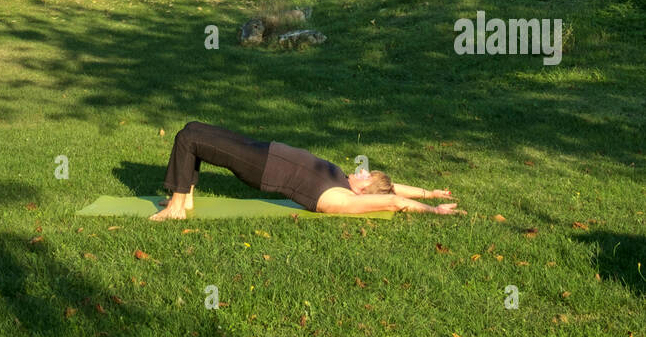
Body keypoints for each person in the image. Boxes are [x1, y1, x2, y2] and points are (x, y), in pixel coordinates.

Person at [149, 121, 465, 219]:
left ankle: (176, 206)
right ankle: (185, 196)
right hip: (266, 151)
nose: (363, 172)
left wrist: (433, 210)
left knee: (189, 138)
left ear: (364, 192)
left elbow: (392, 201)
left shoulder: (344, 198)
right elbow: (394, 190)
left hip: (262, 169)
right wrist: (431, 192)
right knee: (193, 128)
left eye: (366, 178)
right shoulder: (347, 181)